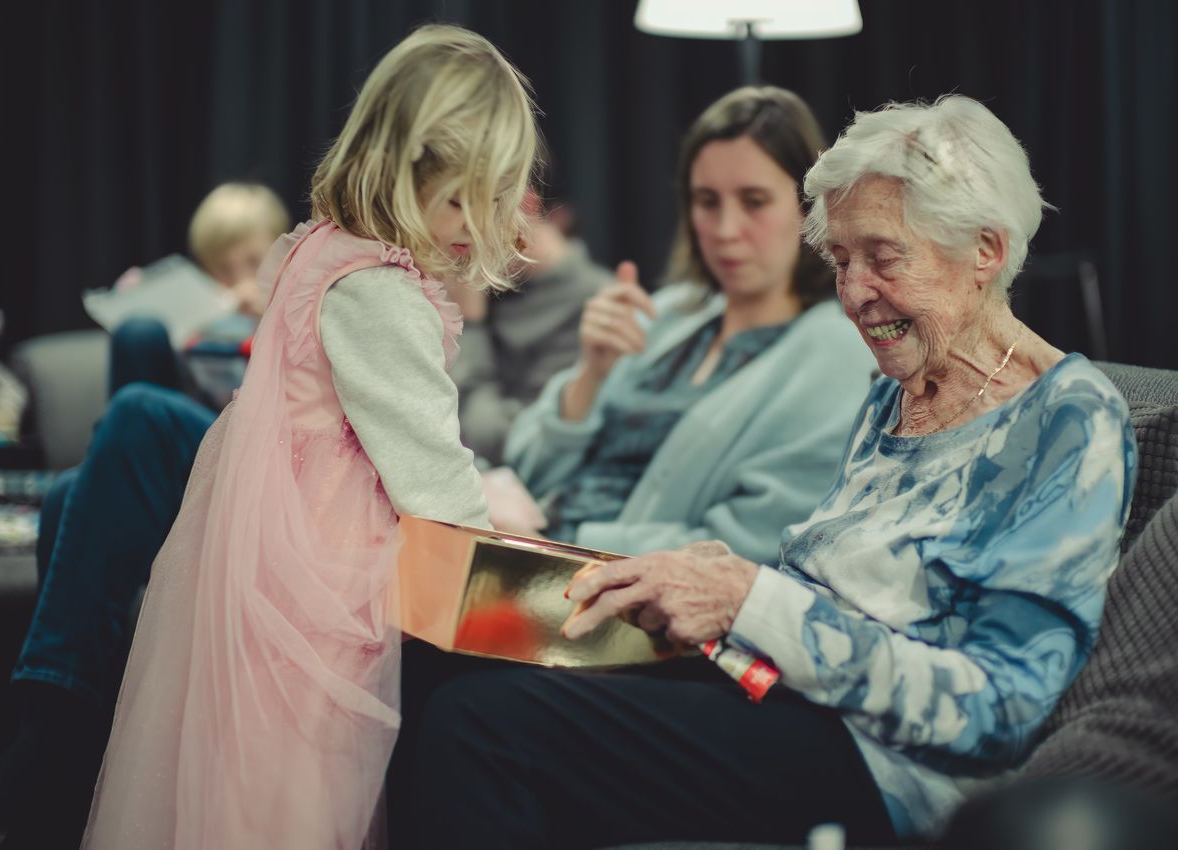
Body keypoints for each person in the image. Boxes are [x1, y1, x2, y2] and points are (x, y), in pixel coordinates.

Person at [391, 95, 1137, 848]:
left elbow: (1000, 710)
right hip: (774, 684)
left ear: (986, 249)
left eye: (882, 258)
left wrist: (751, 598)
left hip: (887, 762)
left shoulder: (1068, 418)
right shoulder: (897, 390)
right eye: (841, 260)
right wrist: (719, 590)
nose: (852, 294)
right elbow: (824, 583)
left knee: (484, 724)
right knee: (437, 658)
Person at [78, 23, 538, 850]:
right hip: (328, 562)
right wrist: (506, 574)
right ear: (396, 171)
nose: (477, 224)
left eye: (495, 197)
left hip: (271, 538)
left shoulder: (327, 250)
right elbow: (431, 478)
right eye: (456, 198)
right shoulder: (381, 292)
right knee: (303, 767)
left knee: (249, 750)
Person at [501, 86, 875, 563]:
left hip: (630, 600)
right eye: (707, 201)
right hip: (536, 555)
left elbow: (756, 542)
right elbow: (526, 468)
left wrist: (564, 549)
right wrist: (589, 378)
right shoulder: (672, 311)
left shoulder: (836, 351)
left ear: (808, 207)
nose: (724, 229)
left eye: (754, 201)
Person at [446, 192, 611, 467]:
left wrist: (469, 324)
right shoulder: (493, 283)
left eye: (462, 205)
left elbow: (504, 444)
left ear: (522, 205)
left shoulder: (595, 307)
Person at [108, 182, 290, 399]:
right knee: (138, 332)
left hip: (262, 421)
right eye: (223, 268)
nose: (240, 279)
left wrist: (267, 316)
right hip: (196, 415)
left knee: (135, 401)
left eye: (254, 261)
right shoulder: (202, 305)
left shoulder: (307, 303)